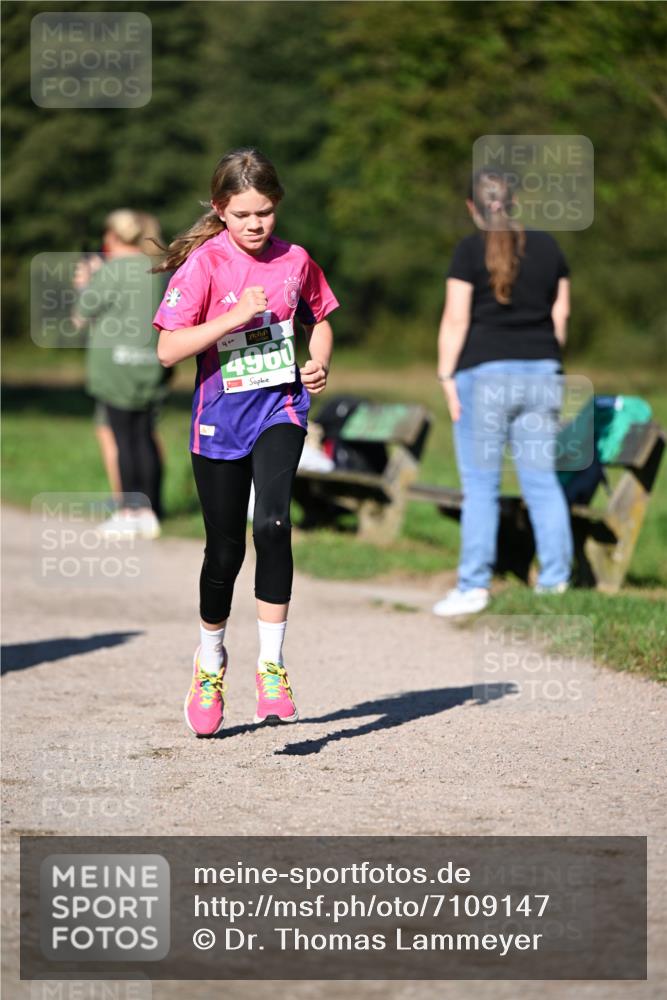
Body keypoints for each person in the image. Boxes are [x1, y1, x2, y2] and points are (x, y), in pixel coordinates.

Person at [152, 147, 338, 737]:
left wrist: (318, 362)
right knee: (224, 550)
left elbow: (320, 318)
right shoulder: (205, 265)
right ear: (219, 209)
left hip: (280, 408)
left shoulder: (295, 260)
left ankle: (272, 666)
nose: (256, 225)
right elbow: (168, 349)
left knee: (274, 524)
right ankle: (210, 662)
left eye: (265, 212)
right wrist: (232, 319)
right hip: (220, 420)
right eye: (243, 215)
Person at [433, 168, 573, 617]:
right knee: (542, 483)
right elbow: (561, 319)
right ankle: (555, 583)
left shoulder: (467, 251)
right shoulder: (549, 247)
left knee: (480, 486)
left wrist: (446, 378)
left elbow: (456, 320)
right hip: (543, 372)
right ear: (513, 202)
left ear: (471, 207)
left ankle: (474, 587)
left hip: (484, 375)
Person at [74, 210, 170, 539]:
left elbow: (80, 316)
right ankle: (150, 512)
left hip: (115, 367)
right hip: (151, 363)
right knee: (144, 436)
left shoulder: (111, 270)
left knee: (123, 438)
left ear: (113, 236)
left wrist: (85, 284)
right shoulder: (156, 270)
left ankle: (129, 511)